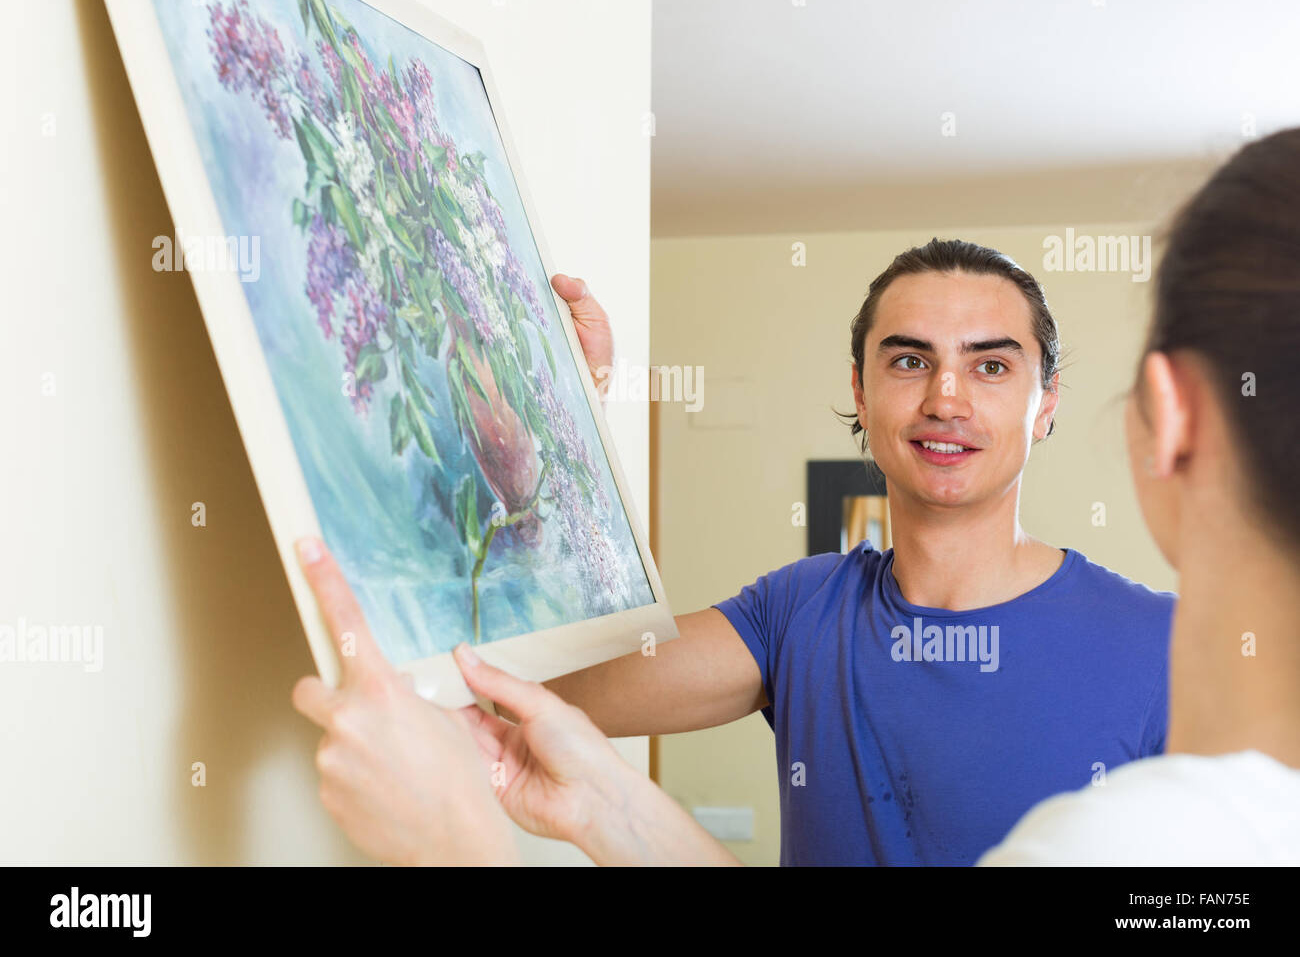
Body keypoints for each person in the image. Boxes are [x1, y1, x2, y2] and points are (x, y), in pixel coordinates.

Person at [292, 127, 1300, 866]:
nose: (945, 393)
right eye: (909, 359)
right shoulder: (798, 611)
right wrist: (557, 424)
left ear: (1045, 407)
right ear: (860, 392)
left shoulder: (1169, 648)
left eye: (991, 367)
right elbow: (533, 678)